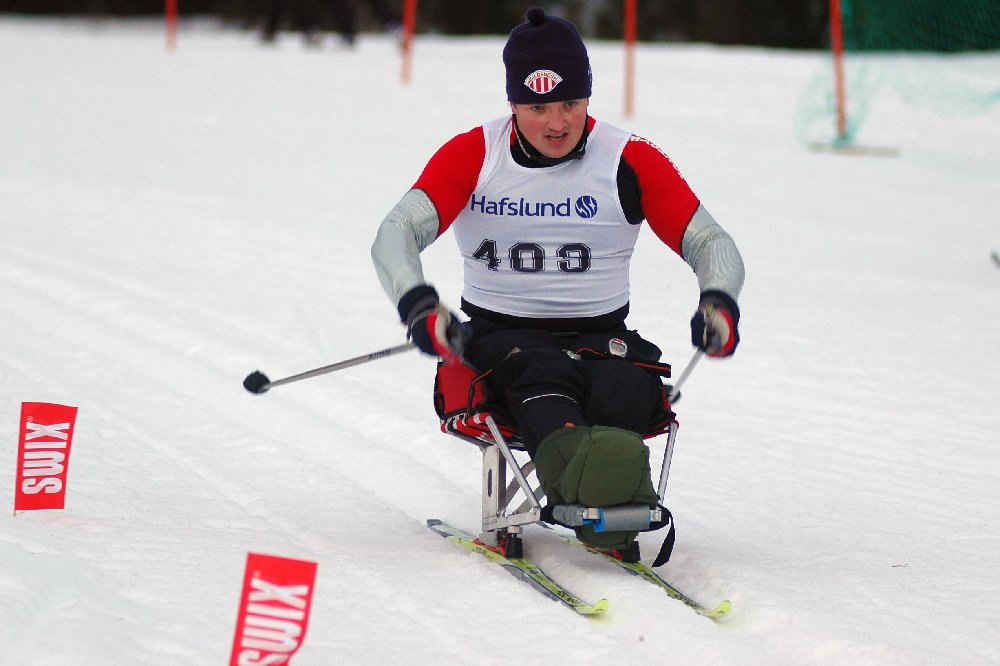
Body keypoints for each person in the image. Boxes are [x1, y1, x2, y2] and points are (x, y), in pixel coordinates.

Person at [371, 8, 744, 553]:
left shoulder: (628, 159)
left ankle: (609, 501)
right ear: (513, 105)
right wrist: (419, 305)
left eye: (570, 103)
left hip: (602, 338)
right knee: (541, 376)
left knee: (623, 389)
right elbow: (396, 233)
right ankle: (596, 495)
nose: (556, 123)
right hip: (502, 339)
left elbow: (711, 242)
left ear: (588, 97)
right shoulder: (475, 154)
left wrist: (719, 302)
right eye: (537, 107)